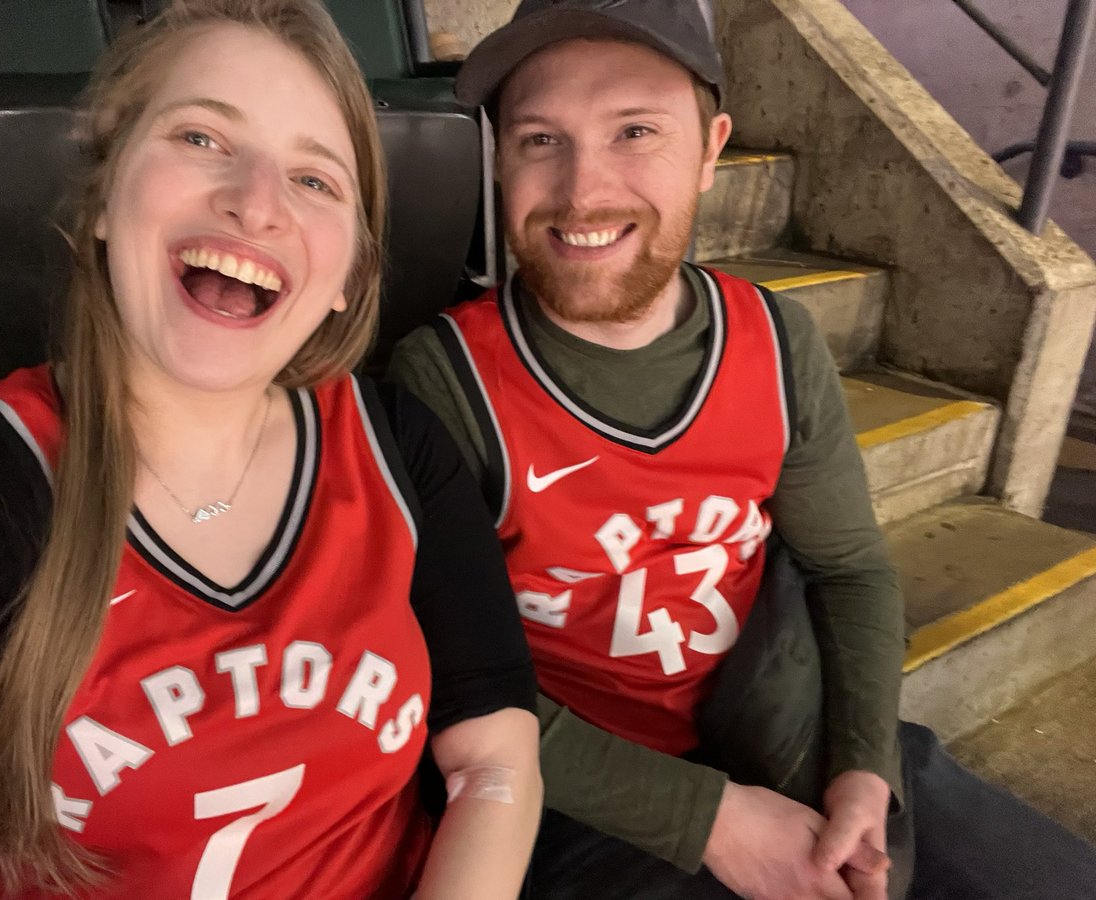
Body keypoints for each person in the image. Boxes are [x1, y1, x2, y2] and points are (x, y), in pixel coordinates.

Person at [388, 1, 1096, 898]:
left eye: (635, 131)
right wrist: (710, 819)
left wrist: (862, 772)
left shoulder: (774, 341)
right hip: (578, 788)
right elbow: (443, 680)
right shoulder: (445, 380)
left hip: (787, 725)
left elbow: (851, 573)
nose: (581, 191)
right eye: (539, 140)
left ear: (712, 147)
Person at [0, 1, 541, 897]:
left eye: (316, 181)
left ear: (349, 276)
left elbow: (493, 758)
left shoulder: (397, 447)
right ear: (102, 202)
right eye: (201, 138)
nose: (257, 202)